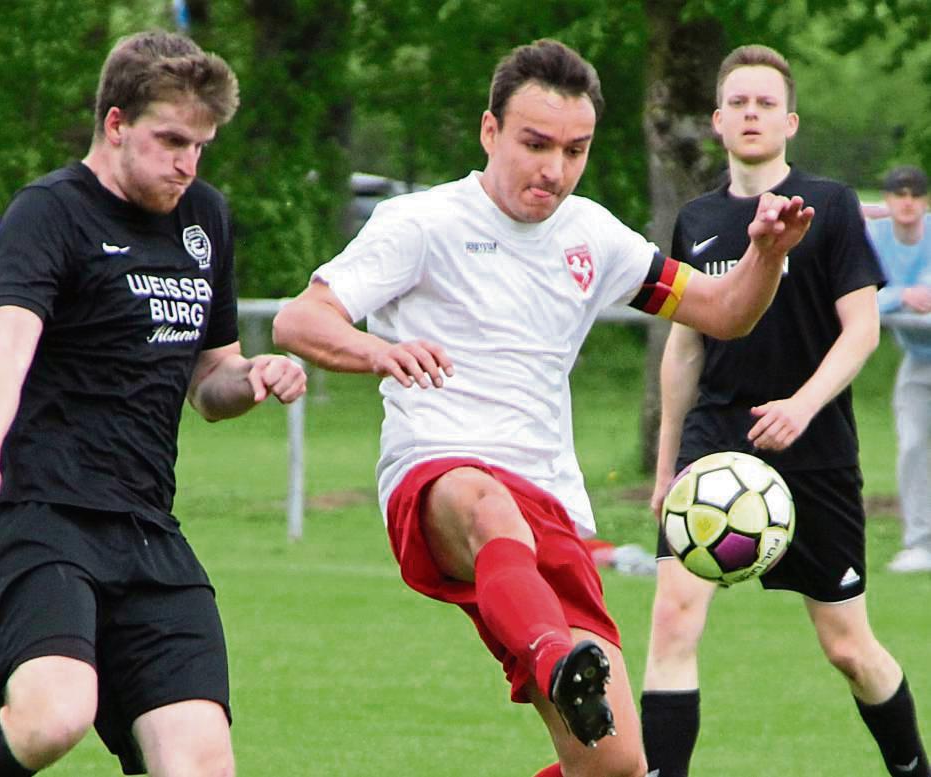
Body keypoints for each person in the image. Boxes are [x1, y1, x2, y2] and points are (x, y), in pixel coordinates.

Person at [273, 38, 812, 777]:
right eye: (534, 143)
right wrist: (377, 352)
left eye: (574, 149)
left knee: (616, 765)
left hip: (549, 501)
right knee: (488, 503)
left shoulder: (590, 233)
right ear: (490, 131)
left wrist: (767, 255)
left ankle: (561, 658)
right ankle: (555, 654)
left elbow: (723, 311)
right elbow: (300, 320)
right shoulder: (420, 222)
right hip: (440, 472)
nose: (553, 169)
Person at [0, 30, 306, 777]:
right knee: (54, 714)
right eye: (170, 139)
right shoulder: (48, 212)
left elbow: (212, 382)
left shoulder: (204, 218)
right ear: (115, 124)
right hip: (42, 514)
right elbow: (7, 347)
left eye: (201, 145)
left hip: (148, 530)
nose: (187, 161)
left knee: (202, 762)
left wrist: (254, 375)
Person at [640, 44, 929, 777]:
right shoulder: (698, 219)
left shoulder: (827, 206)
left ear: (789, 119)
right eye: (737, 101)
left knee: (848, 648)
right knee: (673, 616)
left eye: (765, 102)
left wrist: (802, 405)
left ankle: (913, 768)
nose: (751, 113)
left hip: (814, 445)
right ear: (716, 120)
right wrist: (670, 461)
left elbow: (862, 329)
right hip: (716, 441)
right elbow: (684, 349)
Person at [866, 165, 931, 573]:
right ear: (888, 201)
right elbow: (861, 298)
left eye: (914, 194)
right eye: (898, 194)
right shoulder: (875, 239)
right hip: (918, 359)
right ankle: (920, 544)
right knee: (911, 444)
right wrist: (901, 295)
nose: (906, 202)